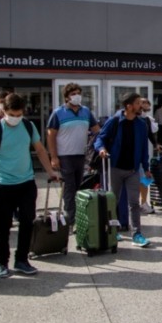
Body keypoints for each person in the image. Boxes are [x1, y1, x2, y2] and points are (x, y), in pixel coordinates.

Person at [0, 93, 59, 278]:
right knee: (3, 226)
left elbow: (40, 150)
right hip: (2, 185)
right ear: (3, 110)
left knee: (27, 222)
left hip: (26, 183)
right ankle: (2, 263)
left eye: (19, 114)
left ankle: (22, 260)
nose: (16, 118)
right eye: (12, 114)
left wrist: (50, 171)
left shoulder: (27, 125)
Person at [95, 92, 152, 247]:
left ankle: (137, 234)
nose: (141, 106)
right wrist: (101, 149)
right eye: (138, 103)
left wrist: (146, 168)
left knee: (134, 203)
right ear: (129, 106)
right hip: (115, 168)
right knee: (113, 201)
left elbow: (144, 148)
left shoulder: (141, 124)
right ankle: (113, 231)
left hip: (133, 169)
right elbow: (100, 137)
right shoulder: (114, 121)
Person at [47, 83, 100, 232]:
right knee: (69, 187)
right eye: (73, 93)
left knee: (79, 186)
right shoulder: (58, 113)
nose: (77, 96)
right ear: (66, 97)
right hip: (65, 156)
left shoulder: (86, 112)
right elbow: (51, 135)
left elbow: (97, 130)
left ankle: (78, 216)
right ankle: (71, 221)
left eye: (78, 93)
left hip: (81, 155)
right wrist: (54, 157)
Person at [138, 97, 162, 214]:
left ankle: (143, 202)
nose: (146, 104)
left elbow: (150, 135)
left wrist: (155, 144)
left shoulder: (146, 119)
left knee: (144, 178)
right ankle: (135, 203)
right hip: (133, 154)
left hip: (143, 153)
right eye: (143, 102)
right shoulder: (134, 118)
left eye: (147, 102)